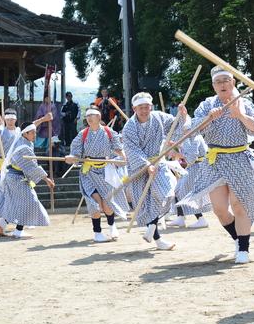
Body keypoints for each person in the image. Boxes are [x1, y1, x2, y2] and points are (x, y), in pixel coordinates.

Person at [178, 66, 254, 264]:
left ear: (233, 83)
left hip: (239, 157)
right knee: (220, 209)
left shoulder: (244, 103)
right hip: (215, 159)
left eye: (226, 80)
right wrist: (209, 118)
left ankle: (244, 249)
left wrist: (240, 115)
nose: (222, 84)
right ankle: (238, 238)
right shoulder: (206, 105)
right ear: (213, 86)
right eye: (218, 81)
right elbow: (193, 131)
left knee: (239, 204)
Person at [122, 92, 180, 251]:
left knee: (165, 193)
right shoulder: (129, 128)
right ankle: (158, 238)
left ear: (151, 107)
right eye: (140, 107)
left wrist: (182, 115)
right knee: (146, 203)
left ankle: (152, 228)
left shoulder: (159, 117)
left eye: (147, 107)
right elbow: (132, 150)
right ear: (134, 108)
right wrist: (146, 165)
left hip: (158, 162)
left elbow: (176, 124)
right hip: (138, 167)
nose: (144, 110)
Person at [66, 107, 128, 243]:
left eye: (92, 115)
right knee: (94, 202)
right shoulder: (82, 134)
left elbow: (118, 149)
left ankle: (112, 226)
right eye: (87, 116)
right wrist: (71, 157)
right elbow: (75, 152)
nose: (89, 118)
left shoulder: (109, 132)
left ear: (99, 118)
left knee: (107, 203)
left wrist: (122, 157)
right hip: (88, 171)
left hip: (105, 170)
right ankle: (97, 233)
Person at [0, 119, 55, 238]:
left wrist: (44, 119)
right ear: (25, 133)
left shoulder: (24, 142)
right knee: (30, 202)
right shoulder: (23, 147)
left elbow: (31, 166)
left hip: (14, 177)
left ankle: (3, 223)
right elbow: (32, 167)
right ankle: (17, 230)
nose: (35, 135)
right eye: (32, 133)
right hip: (16, 178)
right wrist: (46, 179)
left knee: (19, 204)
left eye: (35, 132)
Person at [167, 126, 211, 230]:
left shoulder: (194, 138)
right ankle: (180, 217)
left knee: (186, 193)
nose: (182, 132)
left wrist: (177, 154)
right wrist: (175, 145)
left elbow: (191, 158)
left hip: (196, 167)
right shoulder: (189, 138)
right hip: (191, 167)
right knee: (177, 191)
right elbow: (186, 153)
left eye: (184, 130)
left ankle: (201, 219)